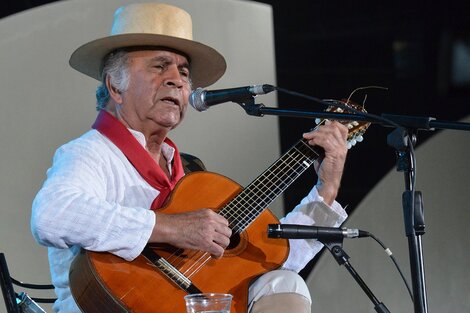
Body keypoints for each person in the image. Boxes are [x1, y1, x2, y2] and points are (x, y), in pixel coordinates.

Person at [31, 3, 348, 313]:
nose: (177, 80)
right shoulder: (91, 153)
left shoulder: (189, 171)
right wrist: (170, 227)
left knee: (284, 282)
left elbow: (271, 258)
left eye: (184, 72)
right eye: (159, 66)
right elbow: (52, 215)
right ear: (115, 85)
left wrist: (326, 189)